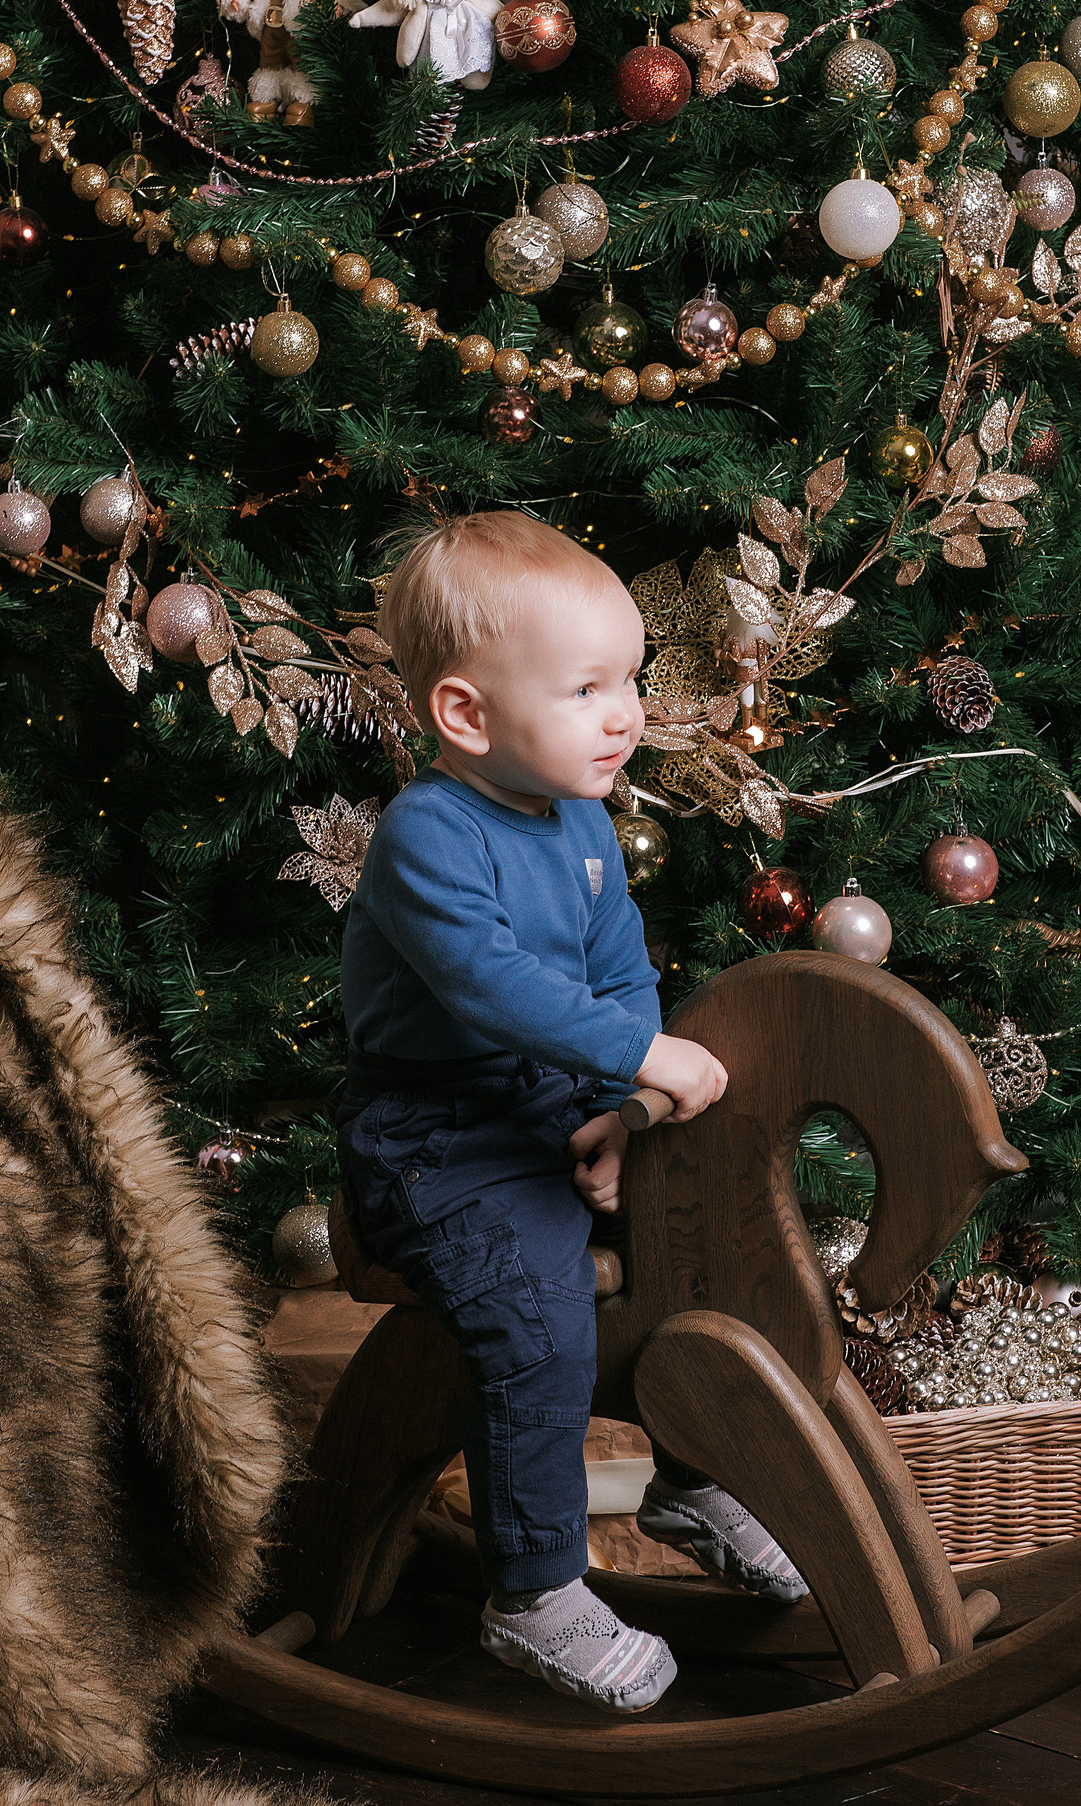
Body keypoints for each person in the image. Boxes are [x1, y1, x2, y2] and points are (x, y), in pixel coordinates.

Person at [337, 511, 808, 1712]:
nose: (627, 712)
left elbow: (617, 976)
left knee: (702, 1229)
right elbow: (495, 988)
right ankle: (535, 1588)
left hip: (552, 1105)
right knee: (539, 1310)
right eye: (588, 687)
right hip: (438, 1138)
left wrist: (629, 1105)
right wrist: (642, 1052)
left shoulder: (587, 823)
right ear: (466, 715)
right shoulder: (428, 836)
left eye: (632, 681)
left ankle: (693, 1474)